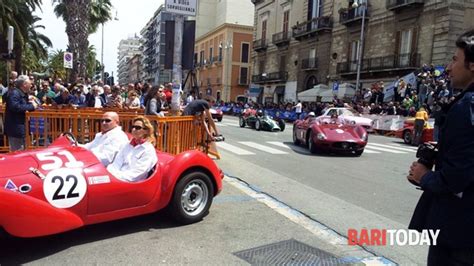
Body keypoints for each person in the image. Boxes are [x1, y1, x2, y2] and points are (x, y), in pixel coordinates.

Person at [408, 30, 474, 265]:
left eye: (455, 60)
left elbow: (456, 178)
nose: (448, 67)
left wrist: (424, 176)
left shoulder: (466, 108)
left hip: (459, 232)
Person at [107, 116, 158, 182]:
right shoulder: (126, 145)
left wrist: (115, 178)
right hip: (117, 179)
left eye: (138, 128)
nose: (134, 130)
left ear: (146, 131)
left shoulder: (148, 150)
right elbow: (116, 164)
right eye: (132, 127)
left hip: (133, 184)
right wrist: (110, 175)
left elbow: (137, 174)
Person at [4, 75, 38, 151]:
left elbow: (22, 105)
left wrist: (31, 104)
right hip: (15, 129)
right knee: (17, 153)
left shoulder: (21, 94)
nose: (31, 84)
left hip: (21, 128)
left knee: (22, 151)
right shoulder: (14, 93)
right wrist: (32, 106)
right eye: (30, 82)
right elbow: (15, 107)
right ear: (24, 84)